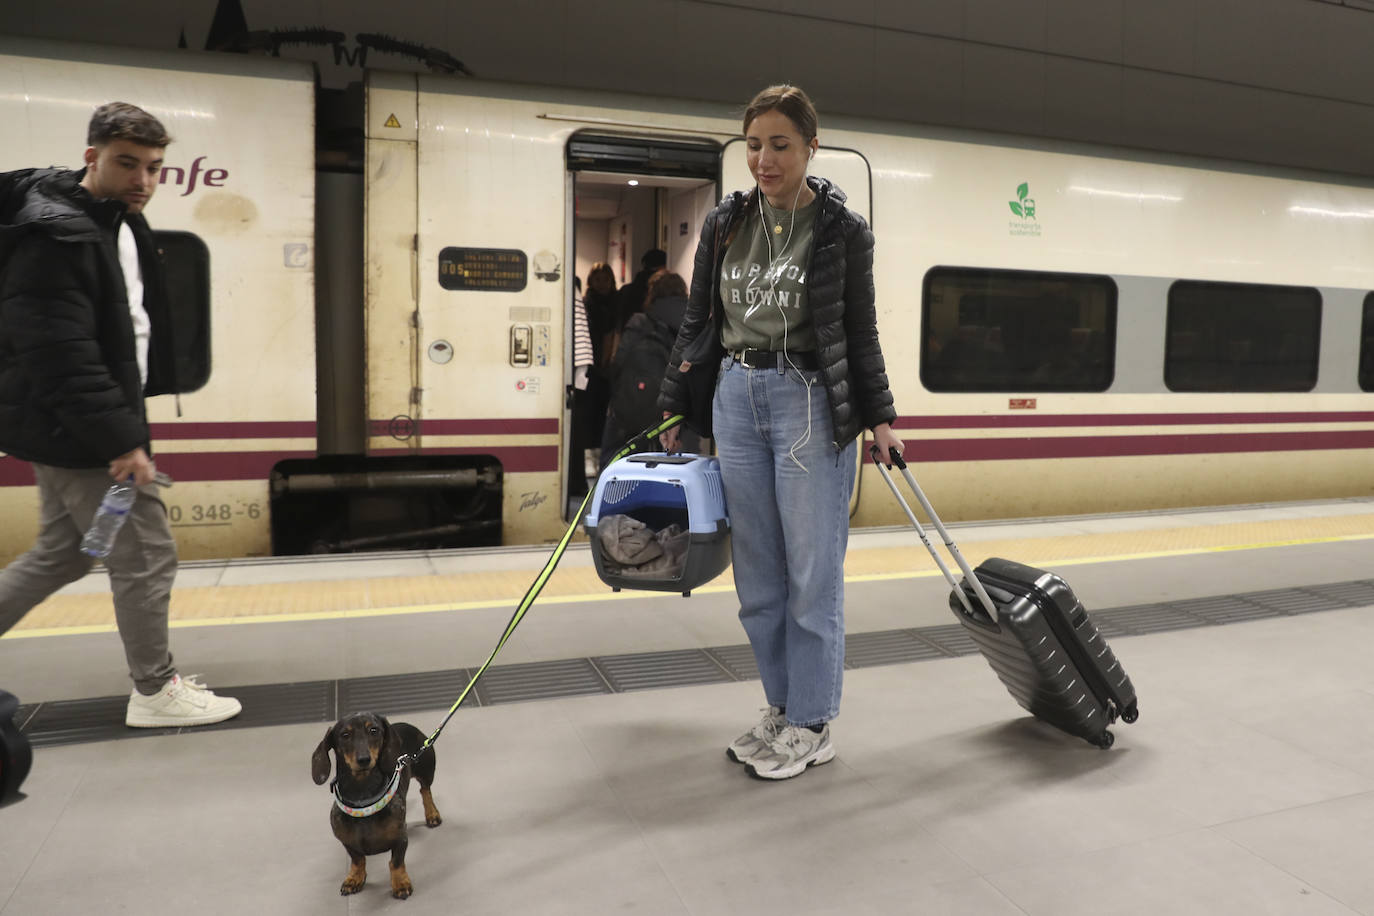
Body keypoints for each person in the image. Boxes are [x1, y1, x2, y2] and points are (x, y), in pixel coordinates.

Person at [658, 85, 903, 780]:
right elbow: (698, 324)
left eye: (780, 145)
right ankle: (781, 708)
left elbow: (860, 331)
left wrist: (880, 417)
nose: (763, 159)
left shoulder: (841, 232)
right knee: (758, 580)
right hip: (736, 392)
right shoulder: (726, 222)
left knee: (811, 576)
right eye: (754, 145)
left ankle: (813, 721)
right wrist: (678, 403)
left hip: (808, 400)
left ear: (810, 147)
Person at [0, 102, 241, 728]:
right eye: (127, 164)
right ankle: (156, 692)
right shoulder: (57, 236)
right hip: (82, 431)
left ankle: (155, 685)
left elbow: (126, 330)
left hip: (75, 426)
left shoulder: (120, 223)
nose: (143, 180)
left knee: (63, 553)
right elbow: (61, 355)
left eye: (155, 168)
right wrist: (123, 441)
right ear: (91, 157)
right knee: (147, 553)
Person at [600, 270, 700, 467]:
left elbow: (618, 365)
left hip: (633, 408)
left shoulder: (639, 323)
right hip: (676, 413)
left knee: (614, 460)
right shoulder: (694, 325)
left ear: (652, 293)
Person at [581, 262, 618, 478]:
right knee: (590, 416)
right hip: (590, 367)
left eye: (606, 279)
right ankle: (590, 460)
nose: (602, 284)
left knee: (607, 416)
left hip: (611, 369)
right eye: (598, 279)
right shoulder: (586, 305)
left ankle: (604, 459)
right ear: (591, 282)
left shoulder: (617, 305)